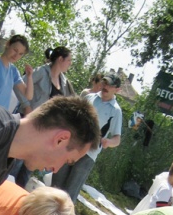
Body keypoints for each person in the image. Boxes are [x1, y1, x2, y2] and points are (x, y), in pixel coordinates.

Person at [11, 45, 76, 187]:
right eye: (69, 60)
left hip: (44, 130)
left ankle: (17, 193)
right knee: (17, 161)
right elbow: (18, 85)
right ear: (60, 59)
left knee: (30, 165)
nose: (70, 64)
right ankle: (5, 189)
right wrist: (26, 106)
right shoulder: (41, 72)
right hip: (29, 123)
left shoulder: (64, 82)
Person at [51, 73, 122, 202]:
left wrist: (108, 142)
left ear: (117, 89)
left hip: (89, 154)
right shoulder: (89, 97)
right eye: (104, 83)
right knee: (56, 184)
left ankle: (62, 214)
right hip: (71, 145)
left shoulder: (116, 110)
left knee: (70, 192)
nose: (105, 86)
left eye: (109, 85)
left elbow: (117, 139)